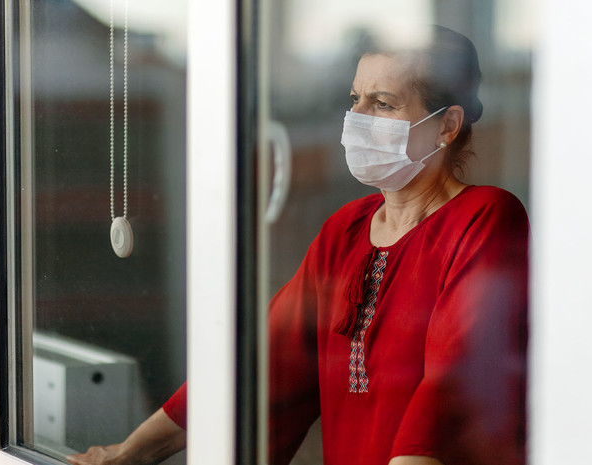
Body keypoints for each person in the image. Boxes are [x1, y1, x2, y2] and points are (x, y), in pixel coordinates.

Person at [68, 25, 528, 465]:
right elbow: (262, 368)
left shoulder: (484, 218)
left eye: (383, 104)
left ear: (446, 125)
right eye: (355, 99)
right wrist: (129, 452)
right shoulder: (345, 230)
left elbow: (449, 394)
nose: (357, 118)